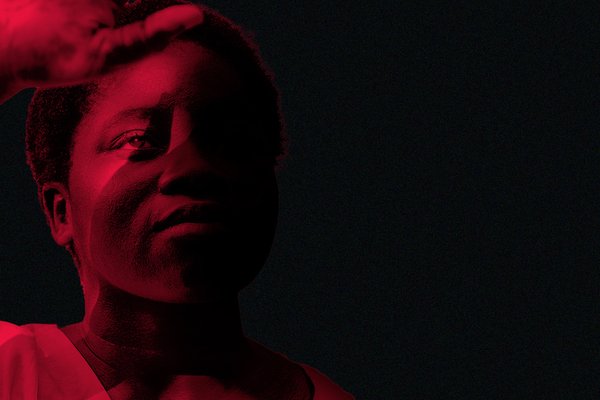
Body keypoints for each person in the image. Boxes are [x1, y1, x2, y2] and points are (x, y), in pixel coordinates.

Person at [0, 1, 354, 398]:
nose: (192, 167)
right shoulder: (10, 368)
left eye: (230, 141)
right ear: (60, 211)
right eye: (139, 141)